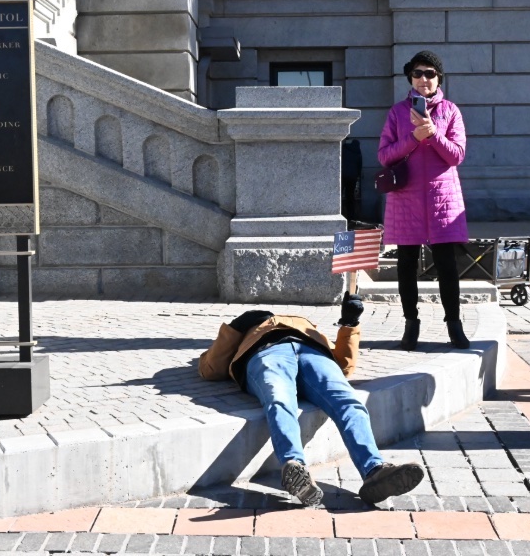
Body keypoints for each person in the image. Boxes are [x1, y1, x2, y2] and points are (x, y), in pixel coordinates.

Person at [197, 293, 425, 506]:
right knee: (279, 399)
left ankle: (375, 470)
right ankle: (295, 466)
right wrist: (236, 328)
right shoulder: (249, 330)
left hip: (314, 353)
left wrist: (349, 324)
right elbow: (210, 369)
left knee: (348, 402)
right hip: (267, 352)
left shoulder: (308, 328)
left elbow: (344, 365)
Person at [378, 50, 469, 351]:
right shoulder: (396, 112)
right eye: (418, 73)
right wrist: (414, 137)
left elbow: (456, 155)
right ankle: (410, 325)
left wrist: (433, 135)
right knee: (406, 264)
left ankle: (454, 325)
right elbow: (385, 155)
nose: (423, 79)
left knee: (447, 265)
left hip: (442, 199)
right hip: (406, 198)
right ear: (410, 78)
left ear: (438, 78)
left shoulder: (450, 111)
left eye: (430, 73)